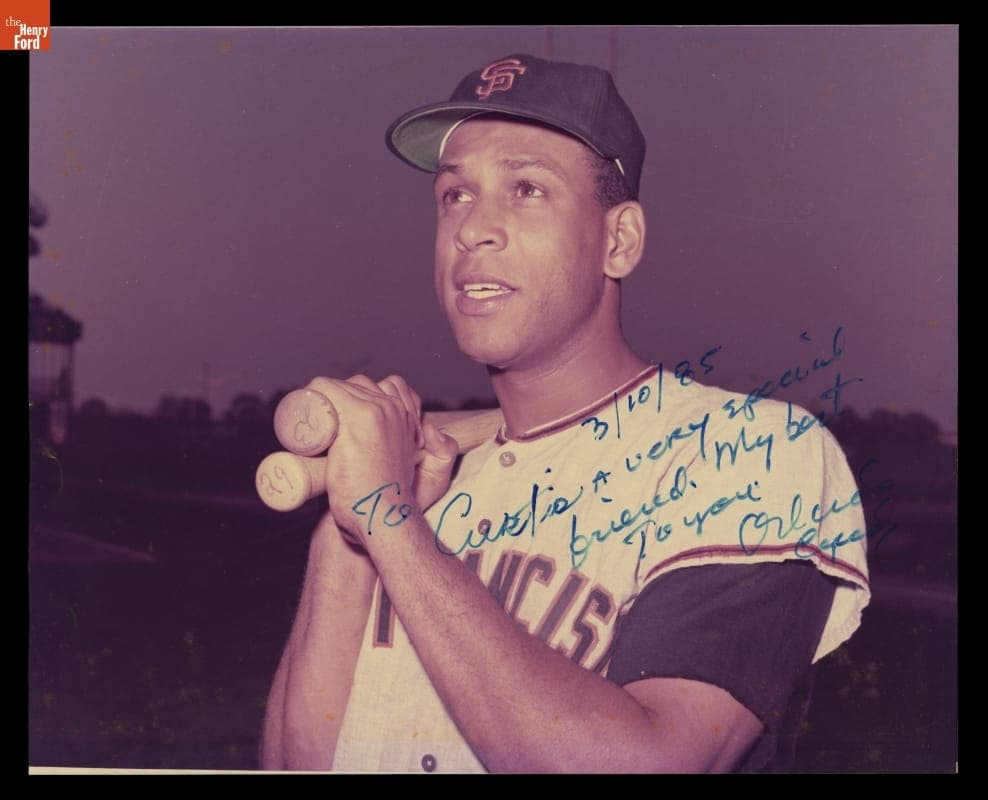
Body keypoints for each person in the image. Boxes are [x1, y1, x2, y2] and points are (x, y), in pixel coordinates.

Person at [259, 53, 870, 774]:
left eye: (526, 189)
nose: (473, 230)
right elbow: (296, 764)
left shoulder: (753, 454)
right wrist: (350, 532)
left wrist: (392, 525)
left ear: (620, 240)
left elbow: (651, 764)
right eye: (454, 196)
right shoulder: (417, 477)